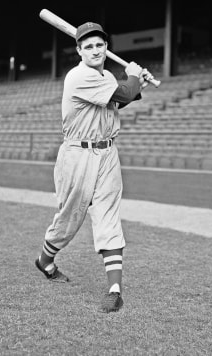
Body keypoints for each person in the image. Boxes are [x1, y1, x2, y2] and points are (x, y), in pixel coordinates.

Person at [35, 21, 153, 313]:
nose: (95, 50)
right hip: (77, 156)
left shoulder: (104, 76)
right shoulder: (79, 76)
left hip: (107, 154)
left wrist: (138, 83)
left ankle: (115, 289)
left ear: (106, 47)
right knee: (69, 218)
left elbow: (117, 100)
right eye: (88, 46)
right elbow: (123, 93)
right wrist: (134, 77)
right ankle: (45, 260)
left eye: (100, 45)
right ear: (79, 50)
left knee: (109, 216)